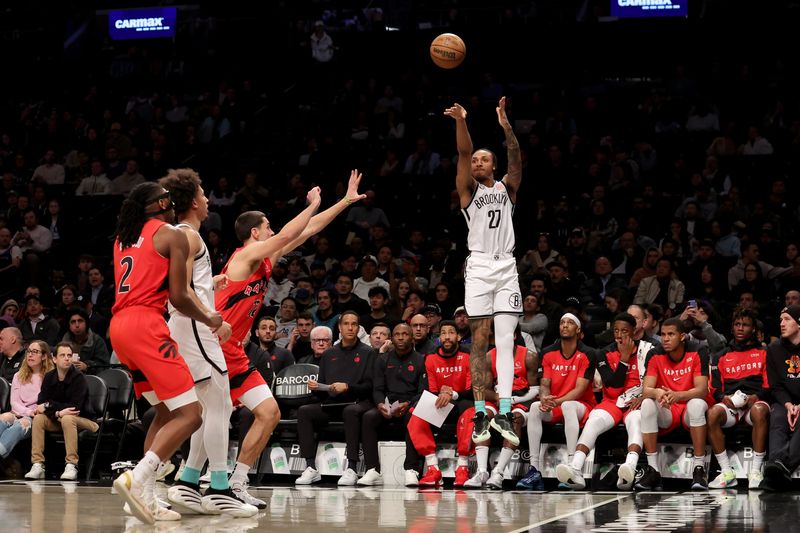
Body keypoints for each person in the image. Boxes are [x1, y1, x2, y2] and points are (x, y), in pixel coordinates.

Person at [216, 170, 363, 502]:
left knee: (269, 413)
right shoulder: (244, 256)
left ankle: (237, 482)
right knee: (203, 416)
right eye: (267, 226)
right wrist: (312, 204)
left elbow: (308, 230)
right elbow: (289, 231)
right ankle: (176, 476)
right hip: (213, 346)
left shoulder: (266, 258)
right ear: (255, 232)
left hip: (234, 349)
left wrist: (344, 201)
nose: (273, 231)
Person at [109, 182, 223, 525]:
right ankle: (138, 477)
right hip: (147, 325)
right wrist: (210, 317)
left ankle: (144, 497)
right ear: (161, 204)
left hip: (120, 328)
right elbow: (179, 296)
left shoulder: (123, 238)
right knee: (191, 414)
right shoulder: (172, 234)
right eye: (169, 201)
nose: (173, 205)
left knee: (163, 411)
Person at [158, 169, 257, 517]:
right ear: (191, 201)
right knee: (220, 405)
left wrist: (208, 285)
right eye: (202, 193)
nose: (207, 198)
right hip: (194, 327)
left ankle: (187, 482)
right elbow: (179, 292)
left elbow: (182, 286)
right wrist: (213, 317)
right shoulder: (189, 236)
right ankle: (218, 488)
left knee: (207, 408)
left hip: (184, 326)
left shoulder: (182, 235)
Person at [444, 96, 523, 445]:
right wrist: (461, 121)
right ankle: (480, 413)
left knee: (505, 341)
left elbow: (516, 157)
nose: (477, 162)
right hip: (478, 266)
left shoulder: (507, 188)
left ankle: (503, 411)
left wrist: (506, 127)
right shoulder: (468, 191)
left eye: (484, 159)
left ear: (494, 166)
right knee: (479, 342)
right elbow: (463, 153)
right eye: (476, 159)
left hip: (506, 265)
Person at [555, 313, 645, 491]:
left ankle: (630, 467)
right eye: (616, 331)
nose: (619, 335)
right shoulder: (603, 353)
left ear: (634, 331)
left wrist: (643, 397)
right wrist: (624, 358)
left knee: (636, 419)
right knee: (594, 419)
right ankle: (576, 468)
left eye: (624, 331)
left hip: (637, 401)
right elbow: (613, 387)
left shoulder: (648, 350)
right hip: (612, 401)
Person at [295, 311, 375, 486]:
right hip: (332, 403)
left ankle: (352, 468)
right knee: (304, 411)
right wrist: (316, 387)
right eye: (346, 324)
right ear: (339, 327)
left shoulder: (368, 352)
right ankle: (310, 467)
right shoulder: (329, 354)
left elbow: (370, 386)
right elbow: (323, 388)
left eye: (354, 324)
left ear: (358, 328)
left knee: (350, 411)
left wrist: (347, 387)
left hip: (358, 402)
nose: (350, 327)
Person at [517, 314, 596, 490]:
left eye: (570, 323)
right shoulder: (548, 352)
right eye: (562, 322)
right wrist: (545, 397)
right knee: (536, 407)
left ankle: (572, 467)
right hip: (556, 404)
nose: (565, 325)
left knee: (568, 405)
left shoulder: (587, 353)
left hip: (581, 405)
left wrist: (557, 401)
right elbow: (545, 383)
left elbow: (580, 389)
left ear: (578, 330)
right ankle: (534, 470)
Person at [635, 317, 711, 491]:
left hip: (689, 406)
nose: (666, 339)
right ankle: (653, 470)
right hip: (668, 408)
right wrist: (657, 392)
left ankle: (699, 469)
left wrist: (679, 395)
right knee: (647, 403)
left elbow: (702, 390)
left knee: (696, 404)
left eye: (671, 334)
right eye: (663, 335)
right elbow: (646, 390)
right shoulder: (655, 353)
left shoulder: (698, 350)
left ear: (682, 336)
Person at [464, 337, 539, 489]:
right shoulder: (489, 356)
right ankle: (482, 471)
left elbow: (535, 389)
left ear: (514, 335)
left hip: (522, 399)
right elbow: (484, 390)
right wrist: (499, 397)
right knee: (482, 416)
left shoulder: (529, 356)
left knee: (514, 418)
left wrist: (513, 399)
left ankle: (498, 472)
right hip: (499, 399)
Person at [707, 308, 769, 490]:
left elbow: (770, 384)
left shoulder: (764, 353)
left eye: (745, 325)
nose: (740, 328)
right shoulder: (721, 355)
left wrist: (756, 396)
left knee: (759, 411)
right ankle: (727, 472)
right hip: (731, 405)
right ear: (732, 327)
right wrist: (723, 398)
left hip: (755, 402)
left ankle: (756, 472)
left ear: (753, 329)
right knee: (712, 414)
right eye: (737, 324)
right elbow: (714, 387)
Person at [406, 320, 473, 487]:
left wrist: (453, 394)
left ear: (458, 337)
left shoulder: (468, 356)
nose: (447, 337)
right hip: (441, 404)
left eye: (451, 333)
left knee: (469, 408)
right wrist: (442, 395)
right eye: (443, 333)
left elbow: (472, 390)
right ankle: (433, 469)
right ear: (439, 337)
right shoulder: (430, 358)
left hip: (462, 402)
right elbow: (430, 391)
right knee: (416, 414)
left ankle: (463, 467)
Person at [359, 323, 425, 486]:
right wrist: (380, 404)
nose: (401, 338)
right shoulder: (383, 359)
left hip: (409, 405)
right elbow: (377, 389)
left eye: (405, 334)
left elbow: (423, 391)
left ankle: (411, 469)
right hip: (388, 406)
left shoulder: (421, 360)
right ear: (392, 338)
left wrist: (408, 404)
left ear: (412, 338)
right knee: (368, 417)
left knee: (413, 416)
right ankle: (372, 469)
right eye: (397, 334)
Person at [25, 342, 98, 481]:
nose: (67, 358)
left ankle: (71, 465)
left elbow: (75, 407)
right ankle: (37, 464)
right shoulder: (49, 377)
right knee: (39, 418)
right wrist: (57, 412)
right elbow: (41, 402)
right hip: (59, 420)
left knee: (68, 418)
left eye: (69, 355)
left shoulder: (78, 378)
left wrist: (50, 406)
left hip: (87, 422)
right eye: (63, 355)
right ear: (54, 359)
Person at [762, 305, 800, 490]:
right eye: (780, 320)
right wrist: (788, 405)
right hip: (784, 400)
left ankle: (779, 468)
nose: (782, 324)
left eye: (787, 319)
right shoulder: (774, 348)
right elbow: (775, 386)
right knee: (777, 417)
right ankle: (777, 462)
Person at [0, 340, 53, 459]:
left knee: (21, 424)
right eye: (28, 351)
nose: (30, 354)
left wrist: (31, 413)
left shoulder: (50, 377)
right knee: (3, 418)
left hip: (37, 417)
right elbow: (14, 402)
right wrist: (27, 412)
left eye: (35, 352)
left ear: (44, 356)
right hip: (20, 412)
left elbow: (47, 402)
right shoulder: (18, 375)